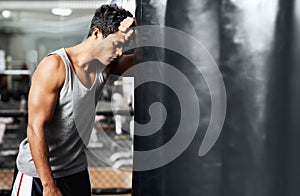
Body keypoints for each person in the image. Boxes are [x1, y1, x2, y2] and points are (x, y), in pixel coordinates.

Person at [11, 4, 135, 196]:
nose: (119, 52)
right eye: (116, 44)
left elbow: (144, 59)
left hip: (75, 171)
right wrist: (48, 186)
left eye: (123, 46)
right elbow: (35, 128)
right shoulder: (55, 66)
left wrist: (140, 30)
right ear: (96, 34)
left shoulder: (106, 65)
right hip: (38, 175)